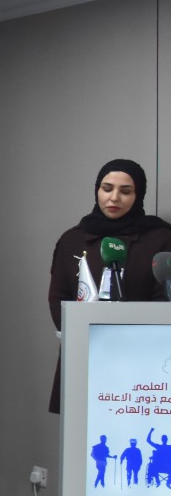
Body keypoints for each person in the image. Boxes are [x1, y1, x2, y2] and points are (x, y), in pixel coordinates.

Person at [47, 158, 171, 411]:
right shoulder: (72, 239)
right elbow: (58, 298)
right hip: (86, 353)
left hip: (143, 357)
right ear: (97, 190)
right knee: (81, 425)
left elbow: (164, 301)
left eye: (126, 191)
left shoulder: (161, 239)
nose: (114, 198)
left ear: (138, 195)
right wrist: (87, 336)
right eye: (107, 188)